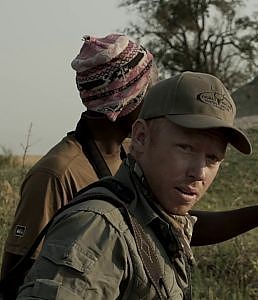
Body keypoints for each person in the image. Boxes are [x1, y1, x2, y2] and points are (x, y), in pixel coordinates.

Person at [16, 72, 258, 299]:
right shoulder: (99, 229)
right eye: (186, 148)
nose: (199, 172)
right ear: (140, 138)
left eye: (213, 158)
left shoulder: (154, 214)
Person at [1, 33, 157, 287]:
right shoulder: (56, 174)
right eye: (148, 91)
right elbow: (15, 279)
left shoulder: (130, 157)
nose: (154, 104)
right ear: (124, 101)